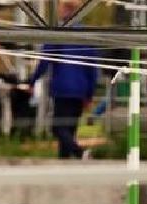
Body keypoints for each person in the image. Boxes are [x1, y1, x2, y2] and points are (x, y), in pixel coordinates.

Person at [28, 13, 98, 160]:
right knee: (70, 128)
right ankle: (64, 161)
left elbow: (44, 61)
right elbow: (93, 68)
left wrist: (32, 81)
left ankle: (80, 153)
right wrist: (90, 94)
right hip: (81, 89)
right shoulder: (88, 37)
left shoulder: (58, 33)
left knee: (58, 127)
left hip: (62, 88)